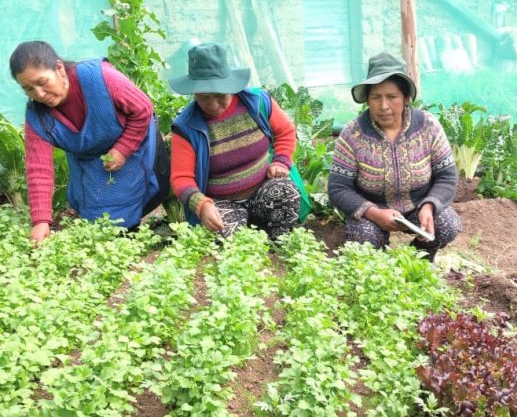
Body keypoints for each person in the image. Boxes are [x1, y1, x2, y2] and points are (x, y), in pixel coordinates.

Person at [10, 40, 170, 243]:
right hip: (87, 162)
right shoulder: (37, 117)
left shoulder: (98, 77)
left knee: (126, 207)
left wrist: (123, 148)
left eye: (42, 82)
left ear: (59, 68)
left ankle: (129, 238)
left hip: (132, 143)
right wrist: (40, 220)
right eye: (29, 89)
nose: (39, 94)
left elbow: (143, 108)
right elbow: (38, 168)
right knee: (94, 215)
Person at [328, 51, 462, 261]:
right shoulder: (353, 134)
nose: (383, 106)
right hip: (372, 211)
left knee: (447, 224)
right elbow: (338, 188)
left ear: (406, 98)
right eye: (376, 97)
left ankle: (417, 260)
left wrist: (429, 205)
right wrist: (373, 213)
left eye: (392, 97)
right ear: (367, 100)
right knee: (364, 238)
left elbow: (447, 176)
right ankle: (381, 270)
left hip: (418, 207)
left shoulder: (428, 126)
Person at [169, 42, 301, 240]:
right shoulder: (186, 126)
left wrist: (281, 161)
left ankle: (278, 245)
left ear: (230, 86)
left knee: (285, 191)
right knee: (224, 235)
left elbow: (285, 131)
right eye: (204, 98)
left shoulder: (257, 102)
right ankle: (249, 244)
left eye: (220, 96)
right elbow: (181, 178)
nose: (213, 105)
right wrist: (202, 205)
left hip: (264, 191)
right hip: (223, 203)